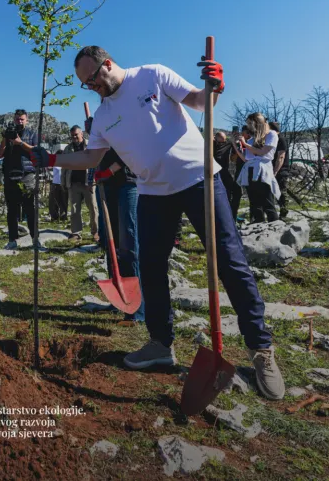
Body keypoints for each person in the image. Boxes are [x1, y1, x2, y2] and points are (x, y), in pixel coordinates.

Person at [31, 46, 284, 400]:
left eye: (93, 79)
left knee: (230, 262)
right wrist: (53, 158)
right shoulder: (103, 116)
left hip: (199, 181)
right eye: (85, 85)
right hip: (153, 193)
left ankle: (260, 350)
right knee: (150, 268)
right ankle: (160, 344)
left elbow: (199, 102)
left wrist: (215, 87)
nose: (92, 87)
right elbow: (92, 156)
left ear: (108, 64)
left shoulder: (152, 75)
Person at [87, 122, 143, 322]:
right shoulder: (101, 120)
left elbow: (132, 146)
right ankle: (118, 299)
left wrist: (110, 170)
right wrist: (93, 134)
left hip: (127, 184)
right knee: (111, 244)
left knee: (129, 243)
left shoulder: (126, 116)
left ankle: (137, 309)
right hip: (106, 186)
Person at [0, 109, 40, 250]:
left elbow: (36, 151)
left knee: (30, 208)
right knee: (12, 210)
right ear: (14, 120)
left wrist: (20, 143)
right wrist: (5, 138)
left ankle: (35, 239)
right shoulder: (8, 134)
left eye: (22, 119)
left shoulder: (32, 134)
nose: (19, 122)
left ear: (26, 120)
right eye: (17, 119)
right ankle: (12, 240)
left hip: (27, 175)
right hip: (10, 176)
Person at [234, 113, 280, 224]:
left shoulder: (271, 134)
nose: (249, 126)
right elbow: (246, 158)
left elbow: (262, 152)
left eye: (250, 123)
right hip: (250, 169)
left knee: (267, 200)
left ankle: (274, 225)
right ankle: (259, 225)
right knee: (254, 202)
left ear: (257, 122)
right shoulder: (252, 139)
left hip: (262, 169)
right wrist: (235, 144)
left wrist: (245, 144)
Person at [65, 125, 99, 242]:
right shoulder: (68, 149)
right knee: (74, 210)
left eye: (76, 134)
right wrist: (64, 182)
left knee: (93, 208)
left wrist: (95, 180)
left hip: (88, 182)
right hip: (74, 183)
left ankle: (95, 232)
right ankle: (76, 233)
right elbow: (64, 166)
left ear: (81, 134)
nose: (74, 137)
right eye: (72, 135)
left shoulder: (90, 146)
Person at [269, 121, 290, 219]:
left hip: (280, 170)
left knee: (281, 192)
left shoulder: (280, 139)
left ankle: (283, 214)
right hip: (272, 170)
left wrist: (275, 171)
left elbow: (281, 157)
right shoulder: (273, 139)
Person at [213, 131, 238, 205]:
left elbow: (235, 149)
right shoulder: (211, 144)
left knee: (229, 189)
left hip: (224, 170)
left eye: (224, 140)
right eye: (220, 142)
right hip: (213, 170)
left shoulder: (228, 143)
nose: (222, 143)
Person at [229, 124, 249, 218]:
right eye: (245, 133)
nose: (247, 135)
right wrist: (236, 145)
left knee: (253, 194)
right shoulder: (238, 143)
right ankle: (233, 217)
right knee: (236, 195)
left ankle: (255, 217)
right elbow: (232, 159)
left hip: (250, 171)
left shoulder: (253, 142)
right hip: (240, 171)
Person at [49, 152, 67, 222]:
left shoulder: (65, 163)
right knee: (53, 201)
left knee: (63, 200)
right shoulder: (54, 162)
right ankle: (54, 216)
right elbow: (49, 169)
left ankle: (63, 216)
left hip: (62, 183)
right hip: (55, 183)